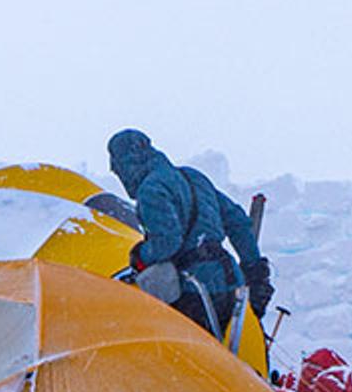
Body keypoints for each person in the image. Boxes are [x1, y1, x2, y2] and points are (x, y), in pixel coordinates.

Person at [104, 128, 273, 347]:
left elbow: (167, 243)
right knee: (225, 358)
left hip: (195, 291)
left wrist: (140, 254)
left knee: (189, 361)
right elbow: (238, 221)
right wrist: (253, 268)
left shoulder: (151, 188)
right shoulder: (194, 178)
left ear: (126, 164)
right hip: (231, 283)